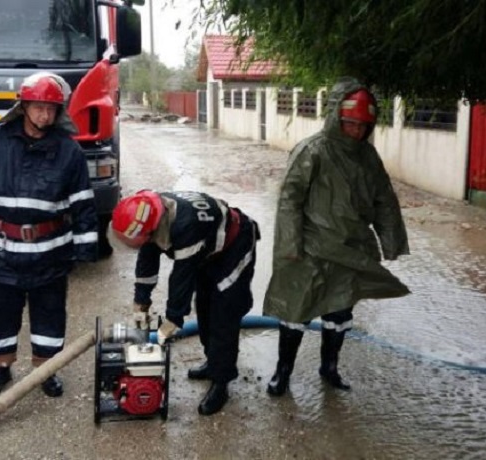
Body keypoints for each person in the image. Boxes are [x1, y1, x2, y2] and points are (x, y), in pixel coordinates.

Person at [263, 77, 410, 396]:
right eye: (350, 124)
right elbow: (289, 199)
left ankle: (329, 368)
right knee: (296, 311)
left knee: (340, 312)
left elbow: (384, 198)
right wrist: (290, 245)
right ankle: (282, 372)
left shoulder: (368, 157)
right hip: (310, 250)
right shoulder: (312, 151)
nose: (356, 131)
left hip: (350, 249)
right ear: (336, 118)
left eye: (363, 126)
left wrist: (391, 241)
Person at [0, 72, 98, 399]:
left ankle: (46, 370)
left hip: (51, 253)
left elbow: (83, 202)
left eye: (51, 109)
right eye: (38, 107)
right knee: (0, 313)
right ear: (23, 106)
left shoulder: (69, 150)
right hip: (2, 251)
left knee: (50, 313)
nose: (44, 115)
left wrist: (85, 248)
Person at [110, 190, 259, 415]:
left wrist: (173, 319)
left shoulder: (185, 225)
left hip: (235, 245)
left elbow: (181, 278)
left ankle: (221, 382)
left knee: (223, 313)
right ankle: (212, 362)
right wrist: (141, 301)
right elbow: (148, 258)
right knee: (205, 306)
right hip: (208, 249)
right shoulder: (151, 214)